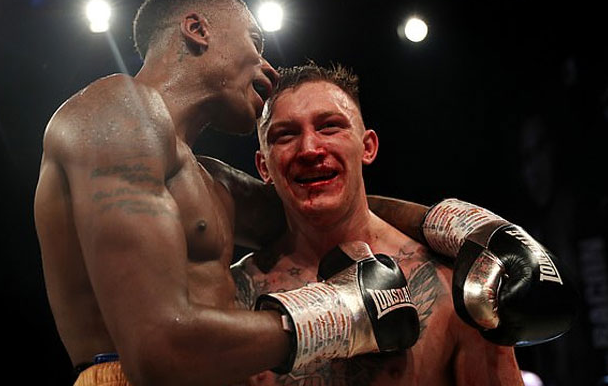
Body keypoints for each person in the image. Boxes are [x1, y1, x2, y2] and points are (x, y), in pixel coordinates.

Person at [33, 0, 419, 386]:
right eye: (255, 42)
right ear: (198, 31)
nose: (269, 68)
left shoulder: (209, 180)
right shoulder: (115, 112)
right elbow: (158, 351)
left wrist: (455, 223)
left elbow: (339, 206)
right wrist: (343, 314)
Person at [230, 62, 573, 385]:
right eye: (285, 135)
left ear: (368, 147)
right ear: (263, 167)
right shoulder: (233, 295)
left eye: (329, 126)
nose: (309, 148)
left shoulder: (451, 286)